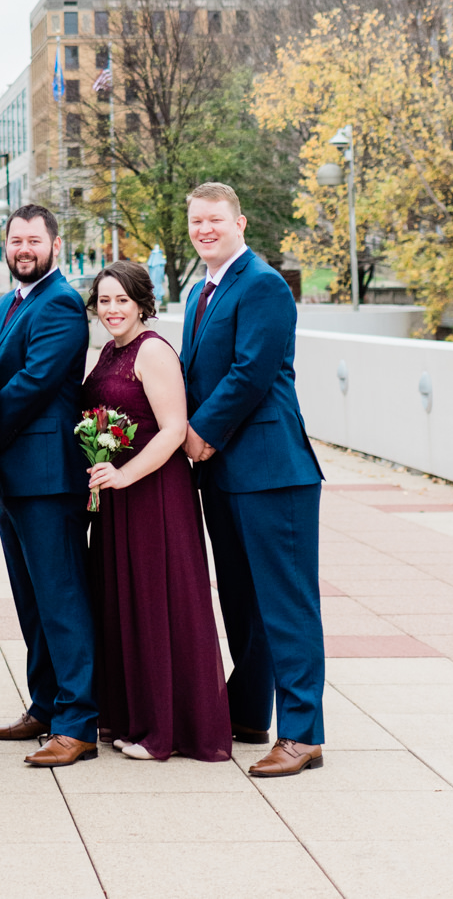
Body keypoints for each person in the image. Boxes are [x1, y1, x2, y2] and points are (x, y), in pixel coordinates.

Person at [182, 181, 326, 778]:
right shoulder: (199, 293)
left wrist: (199, 433)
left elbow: (250, 374)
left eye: (215, 219)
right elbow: (193, 374)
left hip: (271, 471)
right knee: (240, 602)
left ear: (239, 223)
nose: (205, 229)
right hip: (222, 475)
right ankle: (247, 712)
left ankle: (303, 733)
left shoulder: (263, 284)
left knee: (286, 604)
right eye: (196, 221)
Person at [81, 260, 231, 763]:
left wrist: (125, 474)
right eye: (104, 300)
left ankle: (165, 728)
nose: (112, 309)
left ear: (143, 302)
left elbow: (173, 428)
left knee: (156, 603)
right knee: (121, 604)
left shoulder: (154, 351)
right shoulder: (108, 351)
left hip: (155, 493)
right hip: (116, 496)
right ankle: (130, 716)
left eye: (122, 299)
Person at [0, 203, 98, 769]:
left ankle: (78, 721)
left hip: (50, 476)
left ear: (55, 244)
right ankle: (46, 705)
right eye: (15, 240)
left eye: (33, 239)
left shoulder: (60, 306)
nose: (23, 248)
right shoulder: (4, 305)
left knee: (61, 597)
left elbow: (30, 385)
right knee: (30, 599)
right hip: (13, 474)